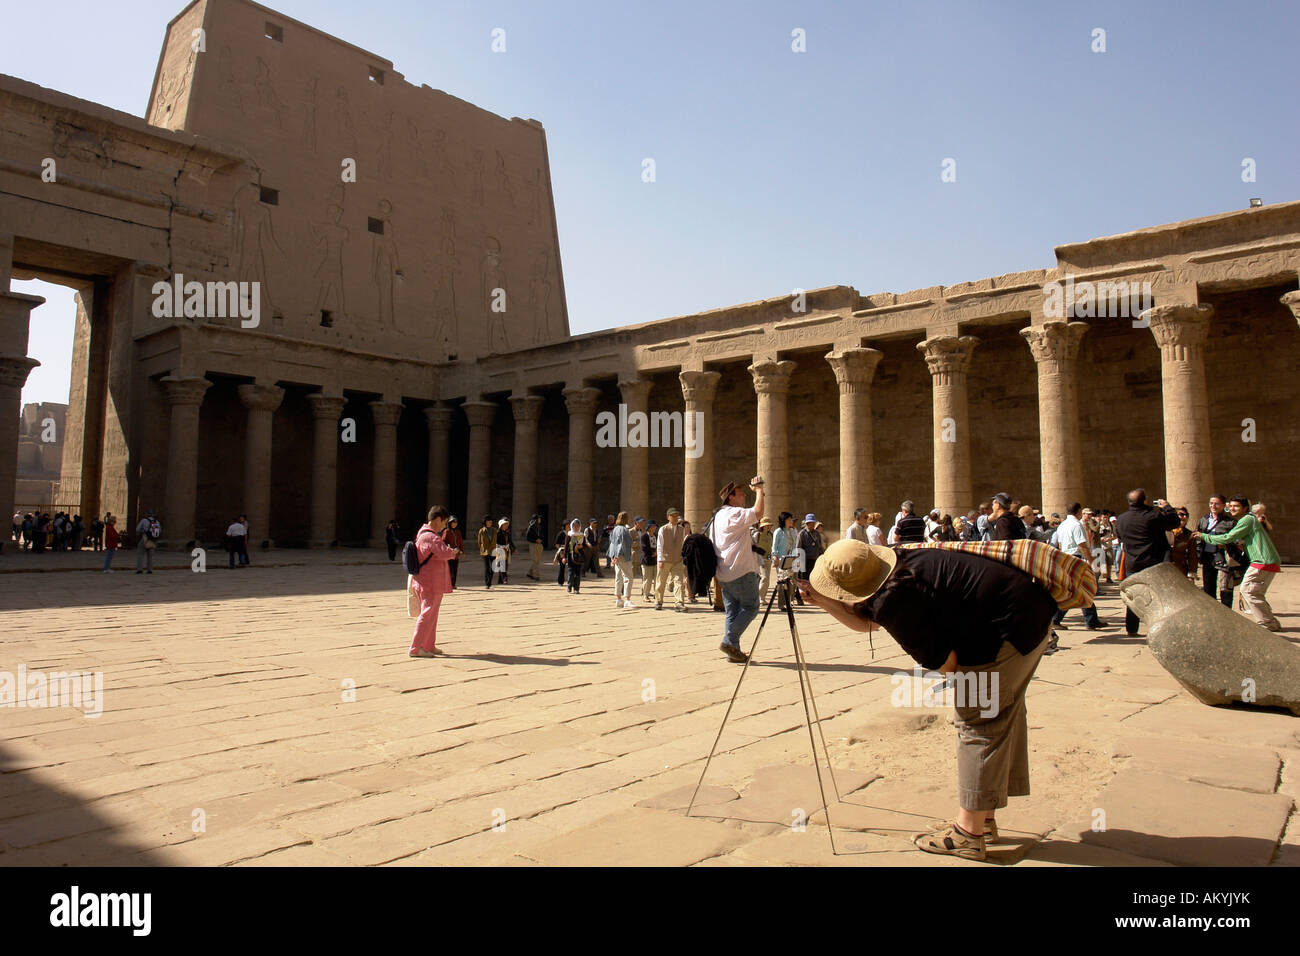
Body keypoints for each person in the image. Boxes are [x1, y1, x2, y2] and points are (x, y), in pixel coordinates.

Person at [800, 538, 1059, 862]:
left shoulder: (895, 601)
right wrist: (825, 602)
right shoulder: (900, 562)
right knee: (999, 713)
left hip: (1008, 630)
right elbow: (867, 623)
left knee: (978, 724)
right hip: (1029, 615)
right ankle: (983, 817)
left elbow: (948, 664)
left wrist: (971, 697)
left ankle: (968, 834)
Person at [1194, 495, 1282, 631]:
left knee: (1247, 591)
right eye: (1231, 505)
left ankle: (1267, 623)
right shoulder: (1247, 519)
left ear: (1245, 508)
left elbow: (1227, 537)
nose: (1232, 508)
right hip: (1265, 560)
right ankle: (1271, 623)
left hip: (1262, 560)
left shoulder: (1247, 519)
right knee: (1254, 592)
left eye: (1236, 506)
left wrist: (1203, 536)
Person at [709, 477, 766, 663]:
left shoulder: (718, 516)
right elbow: (758, 513)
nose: (744, 496)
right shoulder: (734, 514)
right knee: (751, 607)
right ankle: (729, 641)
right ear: (730, 498)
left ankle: (733, 652)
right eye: (740, 493)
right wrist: (759, 491)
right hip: (740, 571)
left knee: (732, 612)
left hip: (724, 573)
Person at [1114, 489, 1180, 636]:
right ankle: (1161, 628)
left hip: (1132, 562)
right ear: (1145, 501)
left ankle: (1131, 628)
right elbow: (1174, 523)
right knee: (1158, 596)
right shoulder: (1152, 516)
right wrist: (1167, 507)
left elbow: (1119, 536)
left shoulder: (1122, 519)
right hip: (1152, 563)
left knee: (1133, 597)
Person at [1048, 502, 1111, 646]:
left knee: (1076, 590)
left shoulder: (1063, 524)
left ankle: (1064, 619)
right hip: (1075, 558)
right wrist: (1091, 561)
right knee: (1081, 589)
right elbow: (1082, 544)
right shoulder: (1076, 525)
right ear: (1078, 511)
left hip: (1066, 557)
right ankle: (1088, 621)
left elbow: (1059, 544)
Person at [408, 505, 456, 658]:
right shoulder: (431, 537)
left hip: (426, 581)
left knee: (431, 614)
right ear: (437, 519)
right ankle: (416, 648)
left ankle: (428, 645)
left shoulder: (423, 534)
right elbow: (444, 553)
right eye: (444, 522)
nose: (444, 526)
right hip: (430, 582)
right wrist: (453, 552)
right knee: (427, 614)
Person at [1196, 494, 1236, 608]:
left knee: (1225, 587)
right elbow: (1198, 538)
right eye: (1211, 503)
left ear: (1223, 505)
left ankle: (1227, 615)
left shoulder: (1229, 522)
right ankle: (1212, 612)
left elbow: (1235, 539)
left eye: (1217, 503)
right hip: (1207, 557)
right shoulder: (1204, 519)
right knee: (1208, 588)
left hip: (1223, 557)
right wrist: (1198, 555)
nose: (1213, 506)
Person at [655, 507, 688, 611]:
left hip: (677, 559)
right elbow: (660, 545)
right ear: (668, 517)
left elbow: (682, 544)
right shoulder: (663, 529)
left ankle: (679, 602)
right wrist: (660, 559)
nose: (675, 518)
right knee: (661, 581)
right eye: (673, 516)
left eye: (676, 516)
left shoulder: (682, 529)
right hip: (665, 559)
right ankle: (658, 601)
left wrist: (682, 557)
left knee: (679, 581)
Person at [771, 511, 803, 610]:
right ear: (784, 520)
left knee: (792, 581)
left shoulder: (793, 531)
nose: (791, 521)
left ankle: (789, 602)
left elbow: (794, 546)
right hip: (781, 559)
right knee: (782, 581)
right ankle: (781, 604)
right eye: (789, 519)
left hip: (791, 558)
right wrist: (775, 557)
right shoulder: (778, 531)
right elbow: (774, 546)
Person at [608, 512, 636, 608]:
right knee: (628, 577)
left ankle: (619, 598)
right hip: (623, 556)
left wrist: (612, 556)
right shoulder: (624, 530)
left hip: (616, 556)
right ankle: (627, 599)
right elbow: (623, 544)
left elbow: (612, 543)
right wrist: (619, 555)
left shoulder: (615, 529)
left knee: (618, 577)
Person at [1167, 507, 1199, 583]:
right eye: (1180, 514)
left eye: (1186, 515)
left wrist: (1191, 575)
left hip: (1181, 571)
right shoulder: (1164, 531)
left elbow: (1192, 556)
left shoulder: (1189, 535)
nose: (1183, 517)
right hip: (1165, 571)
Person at [797, 514, 825, 581]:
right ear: (807, 523)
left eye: (813, 523)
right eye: (810, 523)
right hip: (805, 561)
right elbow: (798, 548)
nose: (812, 525)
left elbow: (820, 546)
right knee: (805, 580)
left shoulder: (817, 533)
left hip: (815, 560)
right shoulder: (802, 534)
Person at [565, 518, 588, 593]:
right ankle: (569, 586)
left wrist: (582, 547)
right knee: (571, 571)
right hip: (570, 555)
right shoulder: (569, 535)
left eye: (577, 526)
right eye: (574, 526)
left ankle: (576, 588)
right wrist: (564, 557)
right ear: (572, 526)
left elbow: (585, 545)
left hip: (579, 556)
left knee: (578, 572)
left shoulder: (582, 535)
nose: (576, 528)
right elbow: (566, 547)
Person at [754, 517, 775, 597]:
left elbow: (771, 547)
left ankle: (762, 597)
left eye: (769, 525)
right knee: (764, 578)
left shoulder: (771, 535)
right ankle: (759, 597)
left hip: (768, 559)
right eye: (767, 525)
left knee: (767, 580)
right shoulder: (757, 535)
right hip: (760, 559)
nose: (768, 527)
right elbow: (754, 547)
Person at [442, 515, 463, 588]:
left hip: (456, 552)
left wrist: (462, 550)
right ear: (450, 523)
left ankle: (453, 584)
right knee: (449, 569)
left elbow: (460, 542)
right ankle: (448, 584)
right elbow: (443, 541)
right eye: (453, 522)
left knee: (455, 568)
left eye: (455, 522)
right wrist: (447, 548)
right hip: (450, 552)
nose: (454, 524)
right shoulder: (446, 531)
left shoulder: (458, 532)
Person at [640, 519, 658, 603]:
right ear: (649, 527)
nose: (654, 528)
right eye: (653, 526)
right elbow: (644, 548)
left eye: (655, 526)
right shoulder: (644, 536)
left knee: (656, 578)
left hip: (655, 560)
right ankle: (646, 595)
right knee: (647, 579)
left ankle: (657, 594)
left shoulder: (655, 535)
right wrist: (652, 553)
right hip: (647, 560)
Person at [477, 516, 496, 588]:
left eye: (491, 521)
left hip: (493, 551)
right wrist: (482, 549)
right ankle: (487, 583)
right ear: (485, 522)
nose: (490, 522)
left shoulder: (494, 530)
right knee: (487, 567)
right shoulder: (481, 531)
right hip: (485, 551)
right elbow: (479, 542)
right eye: (488, 521)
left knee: (493, 568)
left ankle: (490, 580)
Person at [495, 517, 516, 584]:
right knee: (501, 564)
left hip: (506, 550)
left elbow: (510, 541)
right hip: (500, 550)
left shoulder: (507, 532)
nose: (506, 526)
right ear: (501, 525)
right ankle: (505, 578)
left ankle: (500, 580)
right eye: (505, 525)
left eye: (507, 525)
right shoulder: (497, 533)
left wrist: (514, 548)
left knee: (506, 565)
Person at [525, 514, 544, 581]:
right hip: (533, 545)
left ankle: (529, 573)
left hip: (539, 545)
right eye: (539, 518)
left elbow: (541, 535)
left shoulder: (539, 527)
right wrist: (535, 540)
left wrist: (540, 539)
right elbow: (527, 537)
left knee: (537, 561)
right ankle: (536, 575)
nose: (540, 520)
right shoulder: (531, 527)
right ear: (535, 520)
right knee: (535, 560)